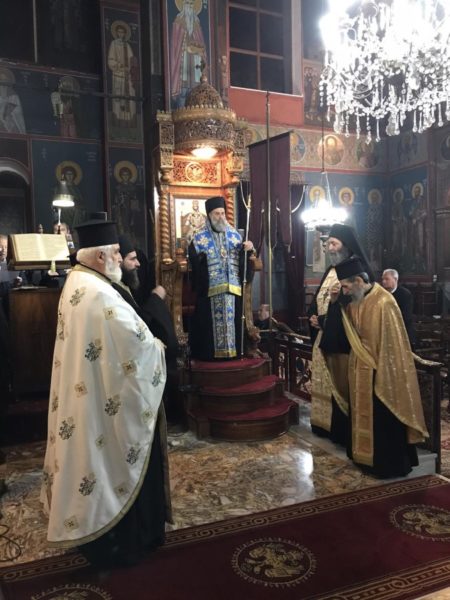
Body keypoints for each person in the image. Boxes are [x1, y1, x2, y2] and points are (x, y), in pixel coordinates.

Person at [40, 220, 171, 567]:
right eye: (115, 253)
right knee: (109, 460)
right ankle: (127, 538)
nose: (119, 259)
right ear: (100, 257)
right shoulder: (97, 293)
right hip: (102, 398)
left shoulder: (78, 281)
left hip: (90, 393)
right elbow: (134, 341)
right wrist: (158, 347)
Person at [335, 255, 428, 478]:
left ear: (359, 281)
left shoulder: (384, 302)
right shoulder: (355, 301)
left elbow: (393, 345)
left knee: (382, 418)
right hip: (359, 370)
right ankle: (362, 458)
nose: (344, 292)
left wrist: (380, 370)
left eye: (346, 286)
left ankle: (385, 465)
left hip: (381, 371)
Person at [307, 223, 374, 446]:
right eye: (328, 244)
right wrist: (313, 316)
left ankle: (340, 430)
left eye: (333, 244)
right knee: (324, 383)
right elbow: (319, 298)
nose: (330, 248)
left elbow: (354, 307)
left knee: (341, 385)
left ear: (346, 245)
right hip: (323, 336)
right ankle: (322, 425)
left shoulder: (356, 269)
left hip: (343, 341)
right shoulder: (331, 270)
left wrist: (324, 320)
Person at [113, 235, 180, 423]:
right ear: (119, 261)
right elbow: (140, 321)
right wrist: (156, 299)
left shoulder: (124, 284)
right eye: (132, 259)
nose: (138, 264)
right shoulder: (114, 289)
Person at [188, 196, 254, 360]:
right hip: (210, 290)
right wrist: (200, 261)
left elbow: (243, 262)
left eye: (223, 213)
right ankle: (212, 357)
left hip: (233, 289)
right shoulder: (199, 238)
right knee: (209, 326)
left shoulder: (235, 236)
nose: (220, 217)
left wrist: (248, 250)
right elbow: (194, 264)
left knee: (234, 322)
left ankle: (233, 354)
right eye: (217, 214)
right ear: (210, 215)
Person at [170, 0, 207, 107]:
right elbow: (175, 44)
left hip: (195, 61)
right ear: (183, 5)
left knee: (194, 92)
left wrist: (198, 50)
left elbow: (201, 43)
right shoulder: (178, 21)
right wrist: (185, 48)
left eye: (191, 4)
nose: (190, 6)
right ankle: (181, 110)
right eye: (187, 3)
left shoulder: (196, 23)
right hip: (183, 59)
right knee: (183, 91)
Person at [107, 21, 137, 127]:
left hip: (127, 76)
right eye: (119, 32)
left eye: (122, 32)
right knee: (118, 98)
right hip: (118, 74)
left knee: (129, 98)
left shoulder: (127, 45)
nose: (121, 34)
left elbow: (132, 59)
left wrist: (130, 67)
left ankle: (129, 121)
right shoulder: (113, 44)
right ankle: (118, 121)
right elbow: (110, 60)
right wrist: (119, 65)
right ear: (116, 33)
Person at [381, 268, 415, 348]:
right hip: (384, 330)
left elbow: (406, 315)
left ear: (395, 279)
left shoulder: (405, 294)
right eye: (383, 279)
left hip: (402, 330)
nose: (383, 281)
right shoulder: (381, 294)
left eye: (387, 279)